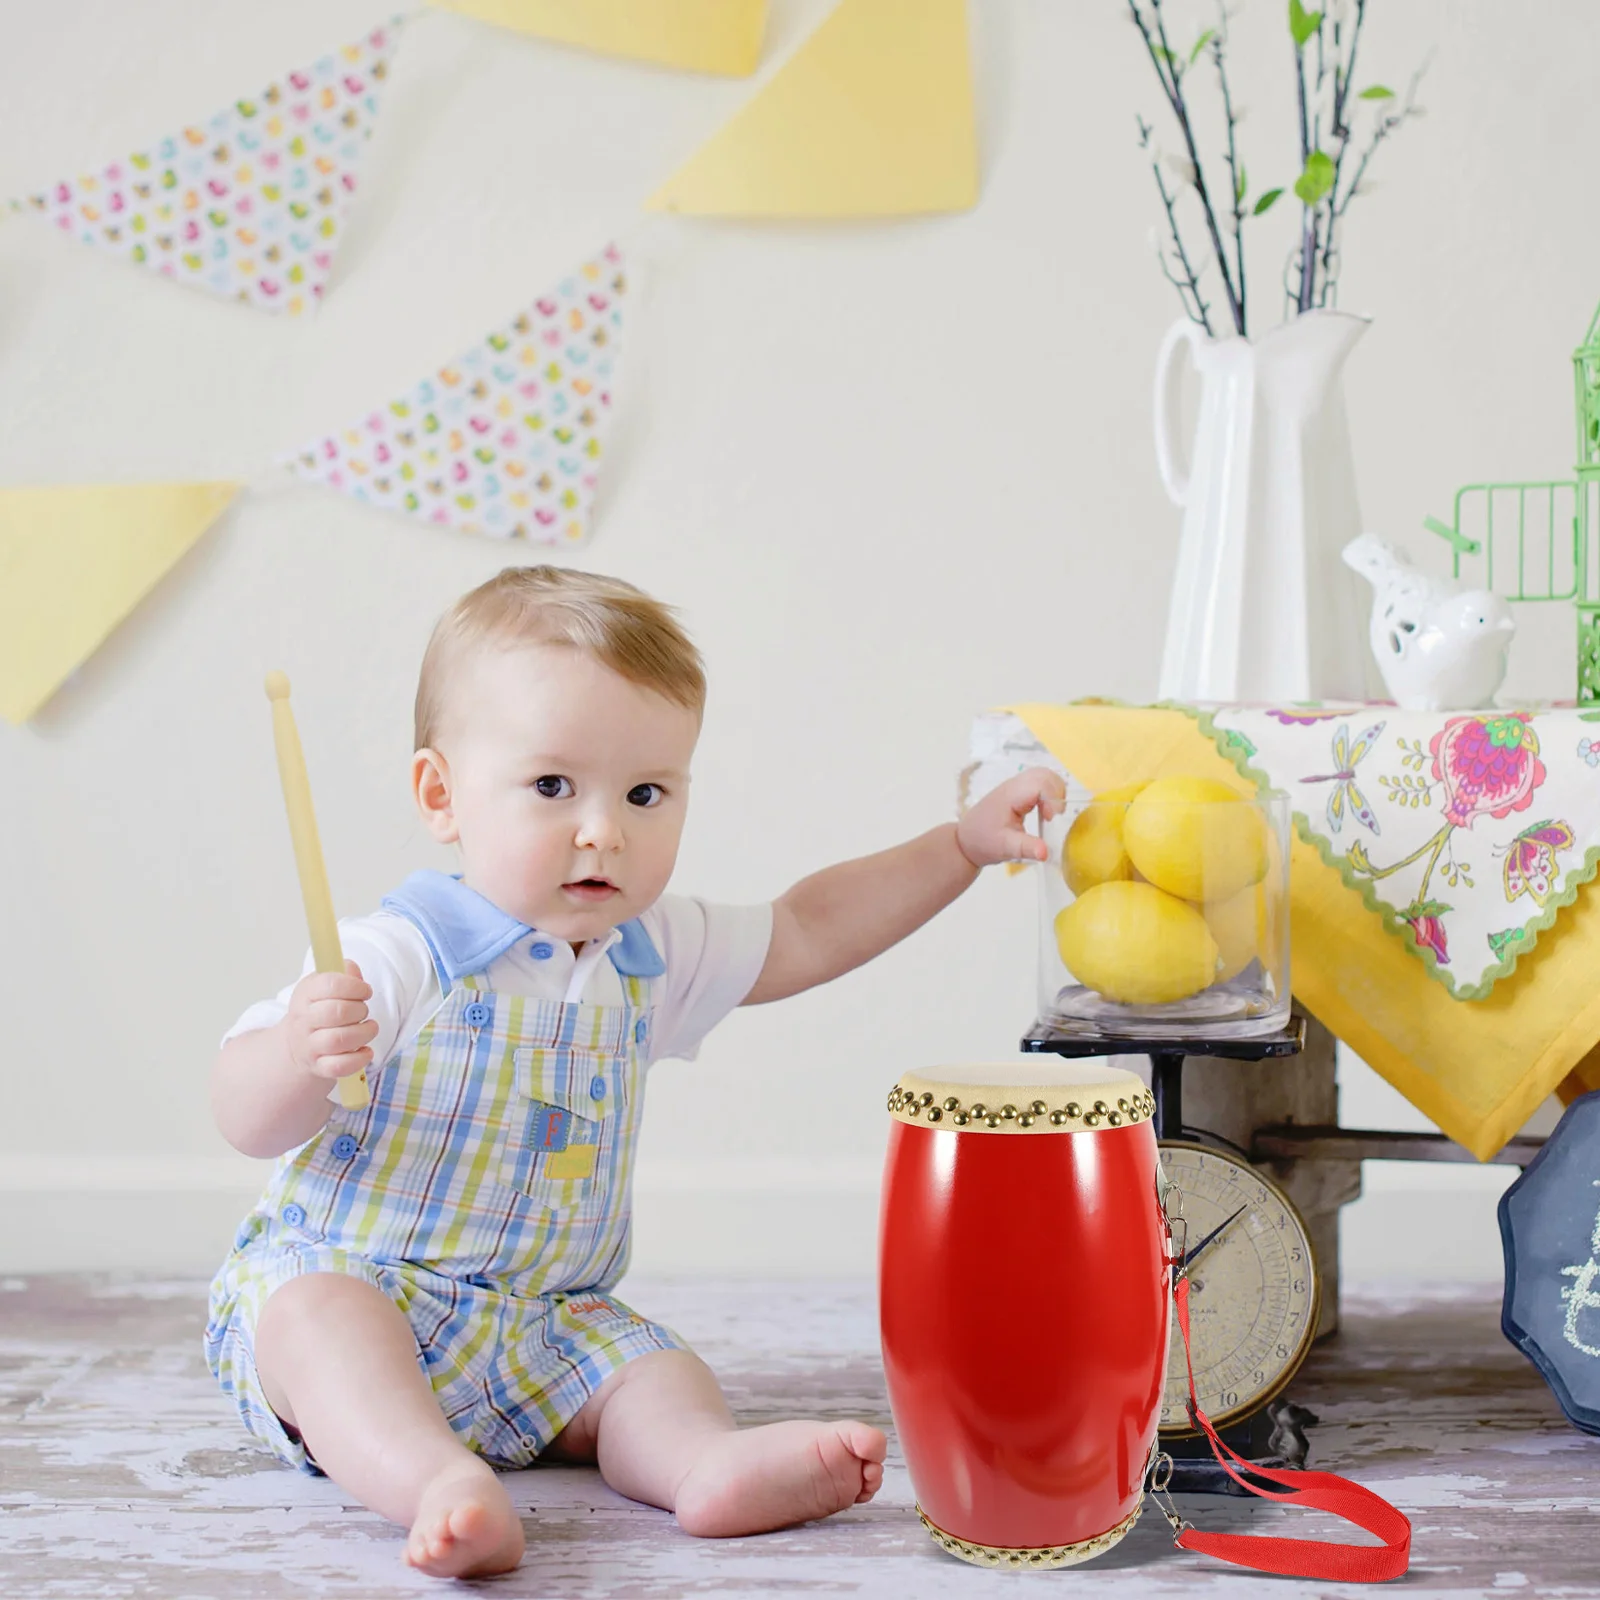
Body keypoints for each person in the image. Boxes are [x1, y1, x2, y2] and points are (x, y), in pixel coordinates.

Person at [206, 564, 1064, 1579]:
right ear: (442, 795)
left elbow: (808, 925)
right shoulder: (398, 954)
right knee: (318, 1323)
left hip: (543, 1320)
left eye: (645, 792)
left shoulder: (644, 951)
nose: (603, 827)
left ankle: (702, 1464)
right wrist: (302, 1057)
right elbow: (243, 1114)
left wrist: (960, 846)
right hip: (364, 1283)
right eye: (552, 786)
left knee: (648, 1369)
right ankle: (433, 1479)